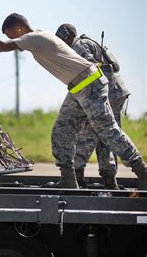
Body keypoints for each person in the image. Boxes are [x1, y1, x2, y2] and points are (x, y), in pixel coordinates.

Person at [0, 13, 147, 189]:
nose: (15, 41)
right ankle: (69, 179)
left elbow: (3, 45)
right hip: (79, 87)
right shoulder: (40, 37)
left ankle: (142, 171)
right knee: (61, 130)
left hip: (90, 84)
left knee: (108, 132)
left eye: (12, 36)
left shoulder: (34, 38)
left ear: (18, 30)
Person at [55, 24, 130, 189]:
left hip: (104, 93)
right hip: (116, 91)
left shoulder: (78, 45)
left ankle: (77, 173)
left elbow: (88, 69)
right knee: (107, 136)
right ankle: (110, 178)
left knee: (89, 134)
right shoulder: (88, 42)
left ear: (65, 36)